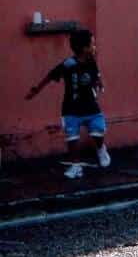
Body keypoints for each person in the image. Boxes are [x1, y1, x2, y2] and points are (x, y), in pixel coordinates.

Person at [26, 29, 111, 179]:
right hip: (71, 109)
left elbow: (97, 76)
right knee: (72, 139)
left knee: (97, 132)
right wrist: (36, 90)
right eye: (92, 44)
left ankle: (101, 149)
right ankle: (75, 166)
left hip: (91, 107)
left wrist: (100, 84)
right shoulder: (68, 64)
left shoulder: (92, 62)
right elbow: (51, 76)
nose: (94, 47)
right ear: (84, 48)